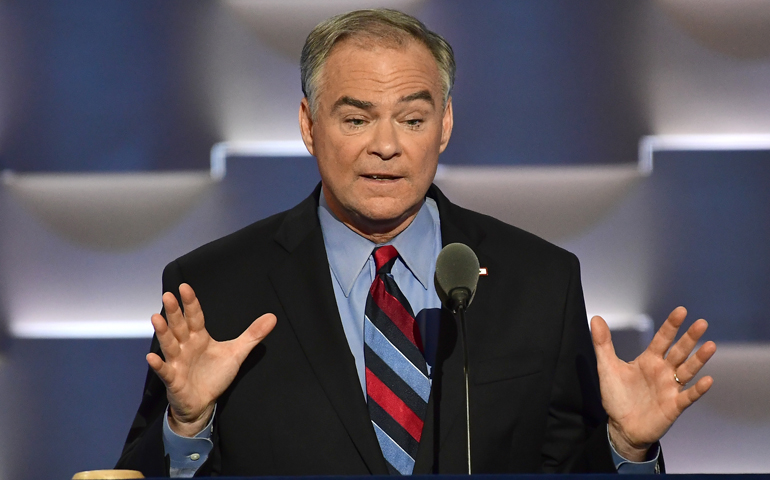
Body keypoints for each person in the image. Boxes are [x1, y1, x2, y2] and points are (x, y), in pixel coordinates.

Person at [116, 9, 716, 477]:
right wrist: (187, 425)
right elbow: (129, 476)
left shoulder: (539, 281)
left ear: (445, 126)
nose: (386, 146)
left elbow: (562, 469)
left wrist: (626, 446)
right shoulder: (216, 289)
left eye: (412, 118)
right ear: (307, 125)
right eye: (356, 119)